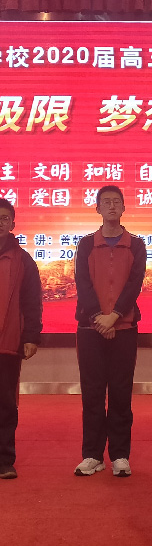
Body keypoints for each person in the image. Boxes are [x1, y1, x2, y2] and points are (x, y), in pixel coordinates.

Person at [73, 185, 146, 477]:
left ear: (124, 208)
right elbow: (82, 283)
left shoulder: (136, 245)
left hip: (124, 328)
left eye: (117, 201)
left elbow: (135, 283)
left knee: (120, 392)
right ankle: (92, 455)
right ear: (98, 209)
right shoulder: (86, 244)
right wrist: (98, 318)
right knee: (92, 393)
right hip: (90, 329)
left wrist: (114, 317)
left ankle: (120, 455)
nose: (112, 206)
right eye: (106, 202)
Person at [0, 198, 42, 480]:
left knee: (5, 404)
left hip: (8, 343)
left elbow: (32, 301)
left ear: (13, 224)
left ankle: (4, 460)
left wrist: (31, 337)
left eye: (5, 218)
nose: (0, 222)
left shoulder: (23, 260)